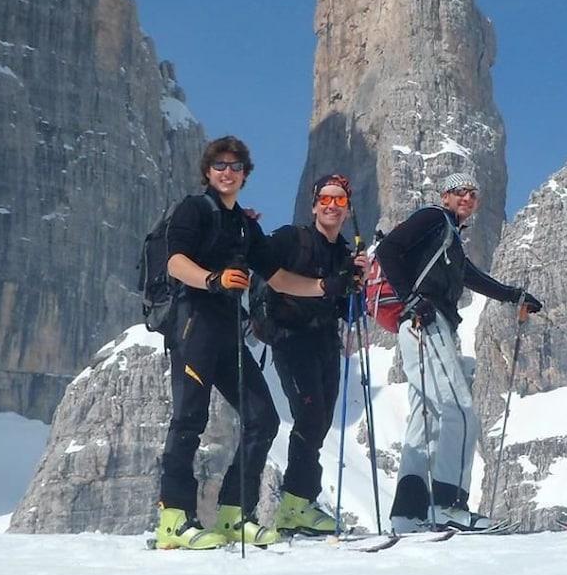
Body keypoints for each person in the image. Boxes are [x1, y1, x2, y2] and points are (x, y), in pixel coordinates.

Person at [372, 172, 541, 532]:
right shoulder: (433, 218)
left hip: (422, 325)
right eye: (458, 191)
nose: (466, 197)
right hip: (425, 322)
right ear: (444, 196)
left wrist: (515, 296)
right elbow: (388, 249)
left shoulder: (447, 236)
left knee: (426, 418)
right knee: (460, 411)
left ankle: (408, 514)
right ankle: (448, 506)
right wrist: (412, 298)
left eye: (472, 193)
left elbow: (471, 276)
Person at [153, 136, 281, 550]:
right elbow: (175, 261)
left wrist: (330, 286)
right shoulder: (195, 209)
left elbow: (277, 275)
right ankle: (174, 518)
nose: (228, 172)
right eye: (220, 165)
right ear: (208, 171)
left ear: (245, 174)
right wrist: (214, 279)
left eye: (236, 165)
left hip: (228, 331)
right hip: (194, 326)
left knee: (264, 418)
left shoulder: (246, 225)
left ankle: (232, 514)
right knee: (190, 418)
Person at [259, 172, 369, 536]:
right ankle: (295, 505)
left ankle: (299, 503)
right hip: (291, 338)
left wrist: (358, 284)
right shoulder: (294, 239)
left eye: (339, 201)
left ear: (348, 209)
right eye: (326, 199)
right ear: (314, 204)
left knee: (319, 421)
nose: (332, 206)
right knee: (309, 415)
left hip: (325, 342)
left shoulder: (344, 255)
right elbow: (267, 268)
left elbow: (351, 312)